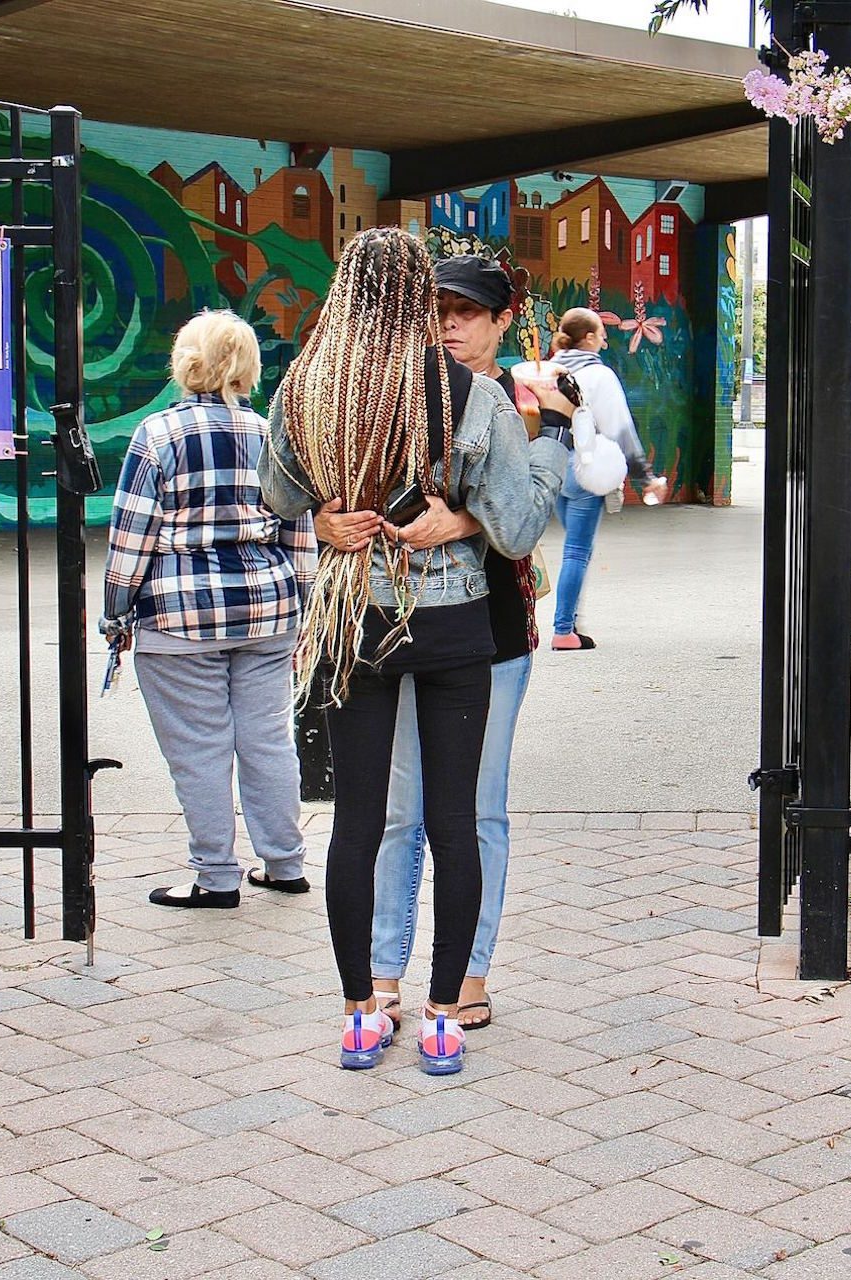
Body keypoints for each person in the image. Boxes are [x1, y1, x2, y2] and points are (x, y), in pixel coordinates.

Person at [260, 228, 571, 1075]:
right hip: (454, 626)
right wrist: (508, 481)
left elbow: (278, 494)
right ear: (412, 296)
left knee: (358, 822)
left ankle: (362, 1011)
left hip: (354, 620)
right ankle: (442, 1016)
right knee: (455, 821)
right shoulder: (473, 398)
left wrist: (326, 515)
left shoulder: (307, 388)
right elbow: (514, 526)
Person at [368, 255, 566, 1032]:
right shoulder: (396, 390)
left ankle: (470, 973)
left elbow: (527, 517)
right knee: (396, 812)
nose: (450, 323)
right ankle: (385, 972)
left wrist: (472, 519)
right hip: (399, 621)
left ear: (502, 318)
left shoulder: (528, 397)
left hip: (490, 631)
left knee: (479, 809)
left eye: (467, 311)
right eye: (437, 309)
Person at [100, 311, 314, 909]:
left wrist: (117, 614)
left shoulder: (158, 435)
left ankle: (215, 876)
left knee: (200, 750)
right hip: (268, 611)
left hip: (179, 617)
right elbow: (298, 531)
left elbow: (132, 537)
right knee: (269, 741)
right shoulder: (276, 435)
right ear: (246, 365)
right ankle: (284, 864)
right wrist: (303, 609)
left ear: (185, 361)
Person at [546, 307, 670, 650]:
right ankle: (563, 629)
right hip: (586, 467)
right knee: (576, 551)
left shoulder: (549, 370)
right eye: (601, 332)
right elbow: (620, 429)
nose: (604, 337)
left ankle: (570, 622)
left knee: (573, 547)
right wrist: (646, 476)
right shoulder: (600, 377)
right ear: (587, 338)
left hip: (550, 465)